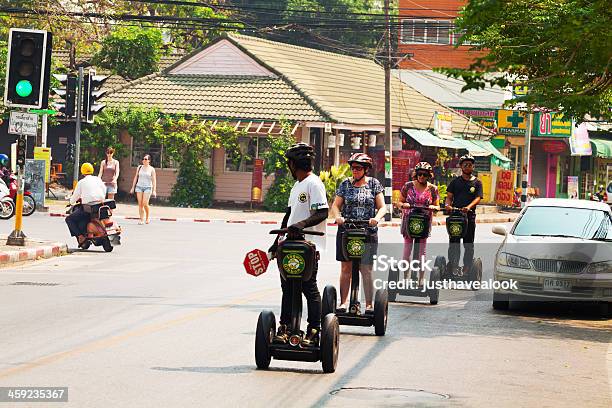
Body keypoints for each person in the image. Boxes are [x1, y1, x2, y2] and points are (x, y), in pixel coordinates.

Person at [268, 143, 328, 347]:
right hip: (290, 245)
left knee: (308, 288)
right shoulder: (296, 186)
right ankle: (285, 328)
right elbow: (288, 217)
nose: (288, 167)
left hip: (309, 246)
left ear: (294, 164)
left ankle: (313, 331)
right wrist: (275, 243)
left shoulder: (314, 183)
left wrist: (301, 224)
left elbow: (323, 212)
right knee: (287, 288)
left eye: (289, 163)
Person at [330, 153, 386, 313]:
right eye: (353, 168)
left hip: (367, 231)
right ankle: (343, 302)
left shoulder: (374, 184)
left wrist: (376, 218)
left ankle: (369, 304)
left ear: (366, 169)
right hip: (347, 231)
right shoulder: (345, 184)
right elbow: (335, 206)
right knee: (346, 268)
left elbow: (382, 207)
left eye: (358, 168)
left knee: (366, 268)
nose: (354, 171)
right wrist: (338, 217)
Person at [395, 162, 440, 286]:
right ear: (416, 174)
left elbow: (437, 205)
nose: (421, 177)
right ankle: (405, 277)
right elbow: (399, 202)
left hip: (424, 222)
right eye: (419, 174)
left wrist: (434, 207)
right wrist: (403, 205)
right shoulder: (408, 186)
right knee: (406, 252)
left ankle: (421, 278)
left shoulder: (433, 189)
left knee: (422, 252)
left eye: (424, 175)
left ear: (429, 176)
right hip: (409, 221)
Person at [445, 154, 483, 275]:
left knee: (468, 244)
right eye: (465, 165)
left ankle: (467, 268)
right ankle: (454, 266)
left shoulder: (477, 183)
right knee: (454, 243)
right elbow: (449, 197)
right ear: (461, 166)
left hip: (469, 217)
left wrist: (469, 207)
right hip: (456, 217)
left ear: (473, 167)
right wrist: (448, 205)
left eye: (470, 165)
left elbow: (478, 198)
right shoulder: (455, 182)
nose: (468, 167)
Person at [65, 163, 106, 246]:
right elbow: (104, 189)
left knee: (69, 219)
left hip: (88, 208)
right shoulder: (98, 179)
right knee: (84, 218)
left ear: (82, 172)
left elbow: (75, 196)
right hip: (101, 205)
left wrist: (70, 202)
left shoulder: (81, 182)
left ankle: (80, 236)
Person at [130, 154, 157, 224]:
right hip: (139, 187)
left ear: (149, 161)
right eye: (143, 159)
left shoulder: (152, 169)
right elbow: (136, 177)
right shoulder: (139, 167)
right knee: (140, 204)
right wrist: (133, 187)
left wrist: (154, 190)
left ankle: (147, 217)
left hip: (148, 187)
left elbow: (154, 180)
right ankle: (141, 219)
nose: (144, 160)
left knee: (145, 203)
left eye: (145, 159)